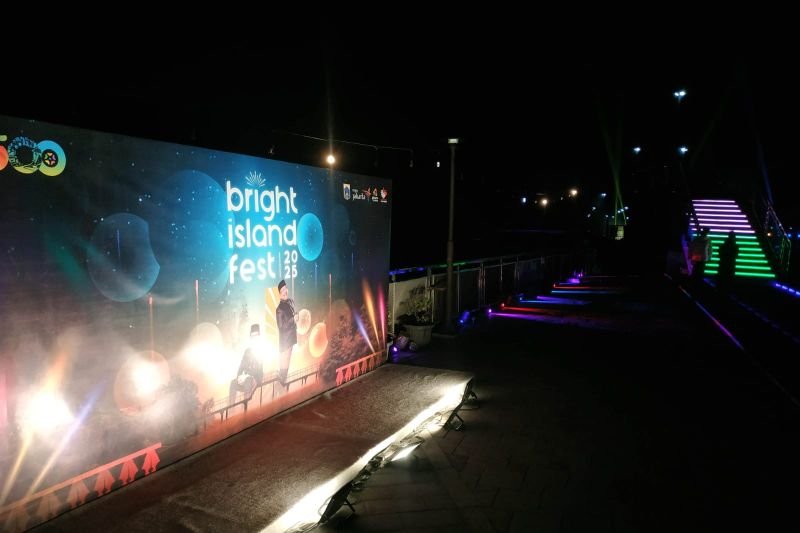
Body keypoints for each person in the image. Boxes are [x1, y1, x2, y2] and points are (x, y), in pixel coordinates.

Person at [228, 324, 263, 407]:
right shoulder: (248, 351)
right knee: (233, 383)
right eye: (253, 336)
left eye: (256, 335)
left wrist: (248, 376)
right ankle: (231, 408)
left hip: (256, 379)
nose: (254, 338)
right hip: (246, 379)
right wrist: (239, 377)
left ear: (259, 336)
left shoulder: (261, 350)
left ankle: (246, 408)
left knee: (248, 380)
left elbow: (259, 370)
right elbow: (241, 366)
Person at [276, 279, 298, 387]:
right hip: (285, 341)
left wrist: (295, 318)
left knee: (287, 363)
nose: (285, 291)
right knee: (284, 365)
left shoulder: (288, 304)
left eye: (285, 289)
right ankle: (282, 383)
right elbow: (281, 326)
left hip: (290, 339)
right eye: (282, 290)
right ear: (279, 293)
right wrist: (293, 320)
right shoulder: (279, 309)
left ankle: (283, 382)